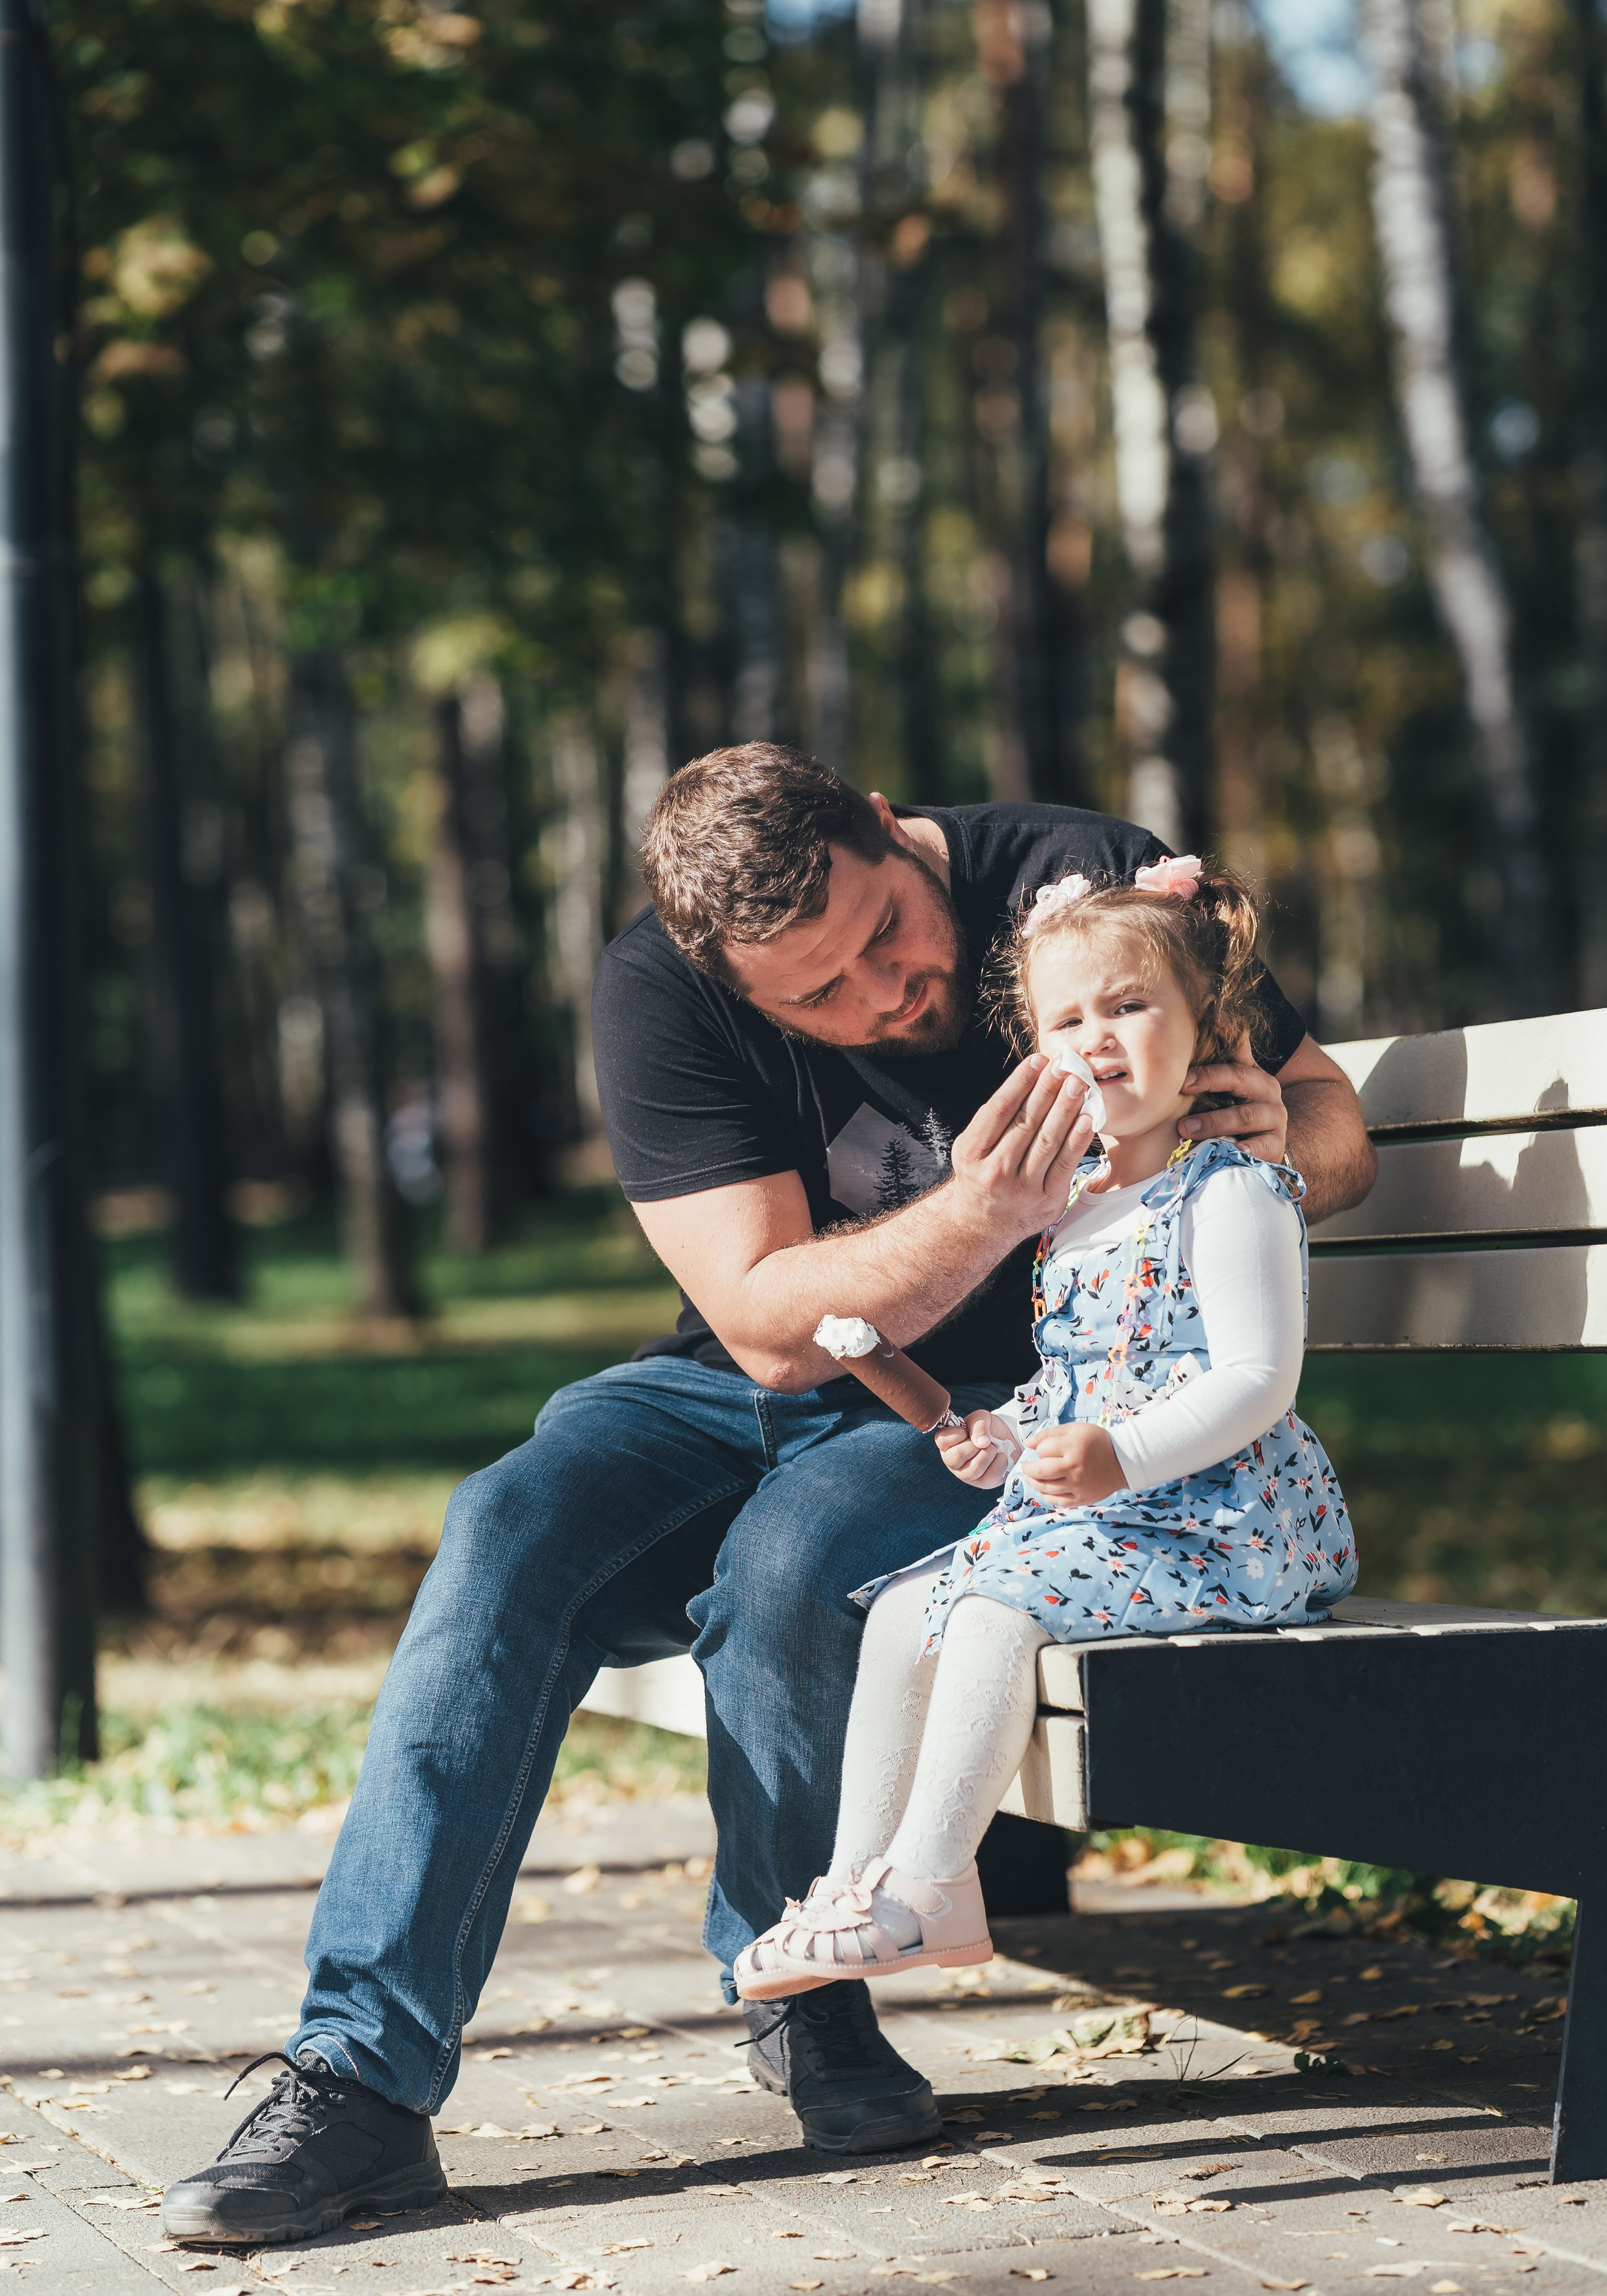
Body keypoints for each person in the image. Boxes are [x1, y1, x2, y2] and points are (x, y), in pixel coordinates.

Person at [162, 747, 1375, 2249]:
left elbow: (1330, 1119)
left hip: (982, 1418)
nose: (879, 999)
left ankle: (806, 1986)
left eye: (885, 937)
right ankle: (357, 2080)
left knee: (797, 1555)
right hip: (743, 1383)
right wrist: (987, 1207)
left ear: (886, 828)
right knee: (507, 1529)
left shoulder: (1071, 874)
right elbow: (761, 1321)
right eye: (814, 997)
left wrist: (1271, 1144)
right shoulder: (657, 989)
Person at [730, 855, 1356, 1995]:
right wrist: (1006, 1437)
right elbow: (1078, 1378)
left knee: (988, 1610)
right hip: (1115, 1520)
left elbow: (1260, 1379)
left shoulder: (1231, 1190)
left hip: (1222, 1524)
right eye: (1068, 1020)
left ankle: (928, 1882)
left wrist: (1124, 1455)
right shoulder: (1075, 1215)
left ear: (1208, 1024)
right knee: (907, 1608)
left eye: (1129, 1007)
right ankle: (867, 1881)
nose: (1098, 1037)